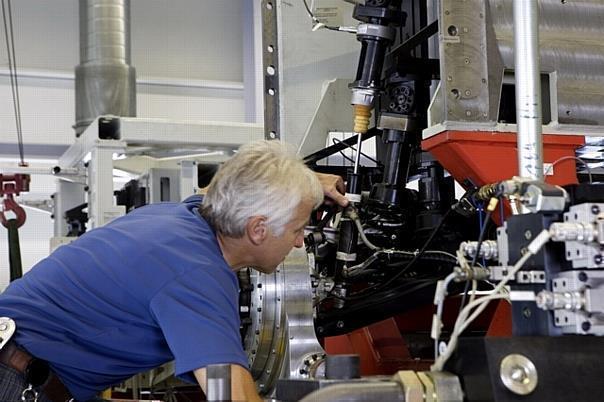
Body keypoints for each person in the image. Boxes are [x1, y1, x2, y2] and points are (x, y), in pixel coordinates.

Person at [0, 140, 348, 402]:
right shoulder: (197, 276)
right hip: (14, 382)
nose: (301, 242)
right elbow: (226, 392)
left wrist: (303, 182)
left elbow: (227, 185)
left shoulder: (182, 216)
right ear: (258, 229)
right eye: (297, 228)